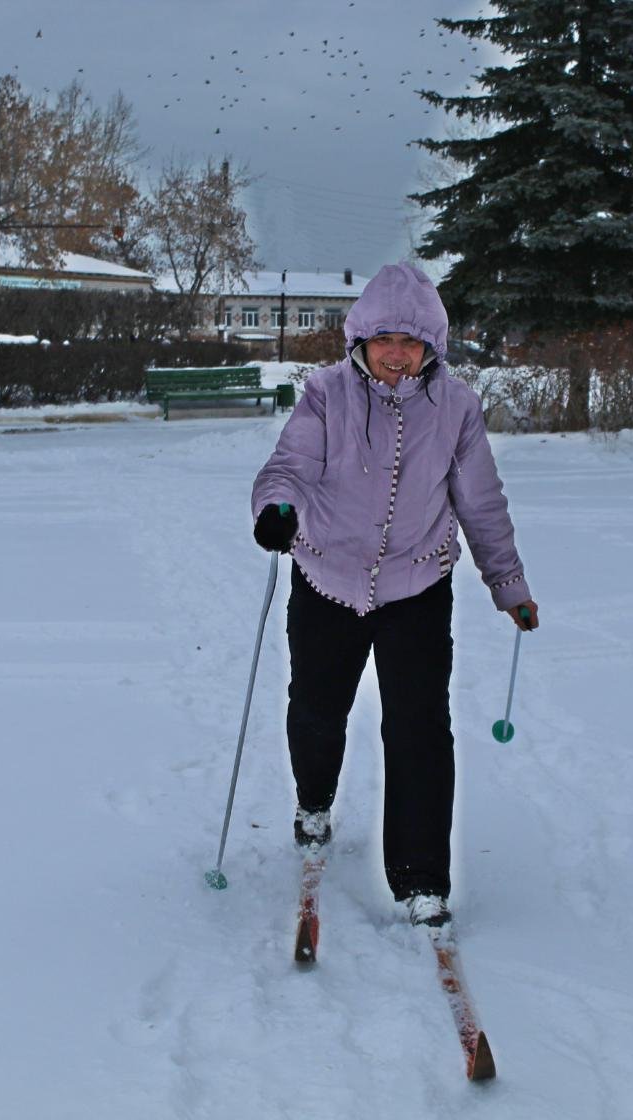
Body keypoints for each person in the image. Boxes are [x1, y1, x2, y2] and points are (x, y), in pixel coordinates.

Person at [250, 262, 538, 929]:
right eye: (385, 339)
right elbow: (290, 465)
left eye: (411, 343)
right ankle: (313, 801)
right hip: (327, 576)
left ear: (431, 347)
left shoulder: (457, 408)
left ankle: (420, 880)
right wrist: (278, 509)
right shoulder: (326, 394)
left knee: (419, 732)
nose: (396, 354)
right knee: (316, 711)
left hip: (417, 584)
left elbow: (481, 503)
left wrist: (508, 583)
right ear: (361, 338)